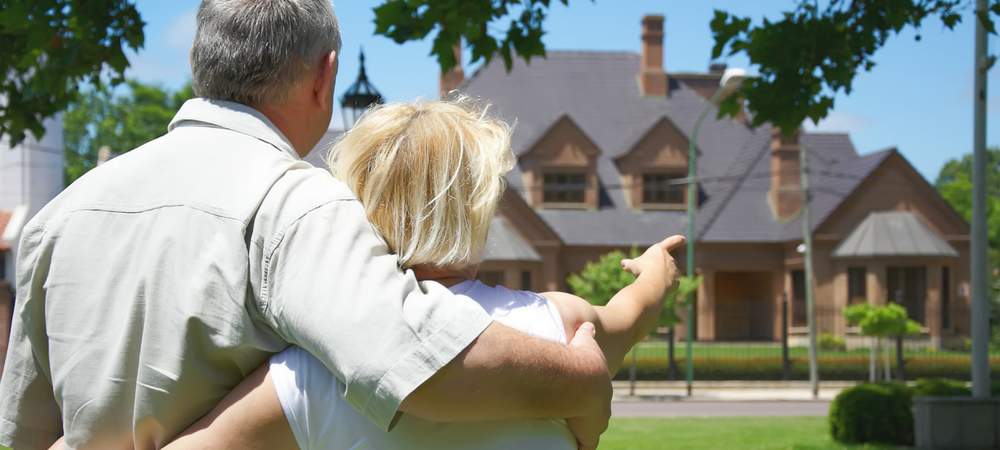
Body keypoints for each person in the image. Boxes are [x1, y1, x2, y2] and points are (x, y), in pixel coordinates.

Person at [0, 1, 618, 449]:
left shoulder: (59, 214)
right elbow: (417, 363)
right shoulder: (293, 201)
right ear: (325, 75)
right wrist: (584, 375)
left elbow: (27, 431)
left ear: (196, 61)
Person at [159, 98, 684, 450]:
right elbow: (635, 311)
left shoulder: (311, 371)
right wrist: (654, 268)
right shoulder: (563, 328)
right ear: (482, 207)